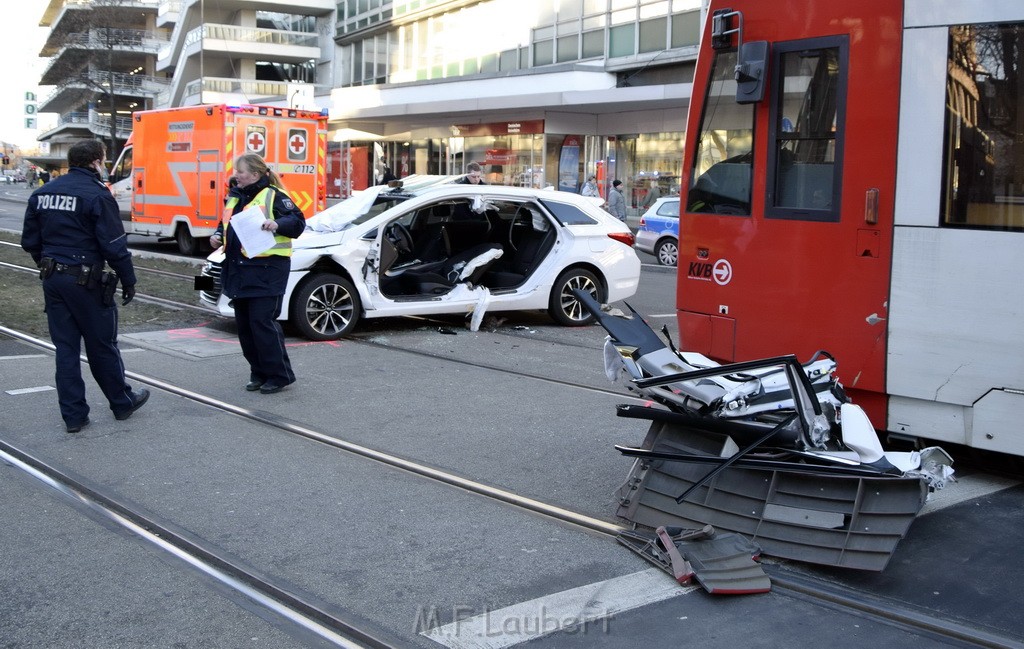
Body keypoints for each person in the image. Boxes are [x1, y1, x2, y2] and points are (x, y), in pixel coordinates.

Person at [21, 139, 149, 433]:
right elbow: (114, 246)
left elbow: (30, 242)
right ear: (95, 161)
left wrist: (49, 263)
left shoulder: (42, 193)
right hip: (86, 280)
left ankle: (74, 416)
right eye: (103, 160)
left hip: (53, 278)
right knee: (101, 344)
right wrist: (128, 280)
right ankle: (121, 401)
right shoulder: (97, 195)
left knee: (65, 348)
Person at [209, 154, 305, 394]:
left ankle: (278, 375)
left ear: (254, 174)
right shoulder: (235, 197)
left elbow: (298, 222)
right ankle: (258, 371)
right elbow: (225, 226)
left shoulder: (274, 195)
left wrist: (277, 224)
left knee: (261, 324)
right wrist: (217, 236)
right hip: (240, 271)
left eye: (240, 171)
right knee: (245, 327)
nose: (236, 175)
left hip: (266, 271)